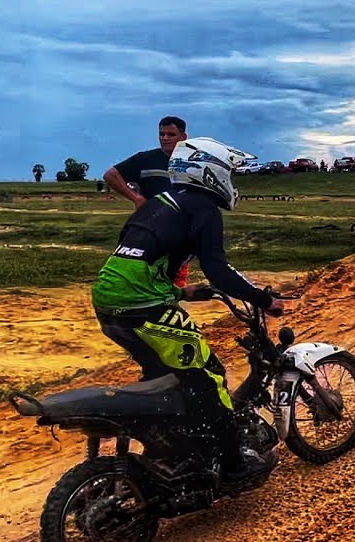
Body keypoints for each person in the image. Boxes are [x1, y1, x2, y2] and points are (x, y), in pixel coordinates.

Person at [90, 137, 285, 490]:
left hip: (108, 304)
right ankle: (234, 464)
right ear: (211, 174)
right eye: (229, 173)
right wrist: (262, 300)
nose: (232, 181)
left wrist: (180, 292)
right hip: (143, 308)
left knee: (162, 376)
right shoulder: (203, 209)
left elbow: (139, 257)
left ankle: (171, 449)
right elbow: (219, 270)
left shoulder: (155, 203)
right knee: (210, 377)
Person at [105, 116, 192, 286]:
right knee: (144, 270)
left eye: (171, 134)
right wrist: (136, 198)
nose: (165, 138)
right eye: (162, 134)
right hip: (149, 227)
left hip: (181, 228)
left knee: (175, 274)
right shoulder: (145, 159)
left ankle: (173, 302)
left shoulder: (192, 162)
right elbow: (111, 175)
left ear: (183, 137)